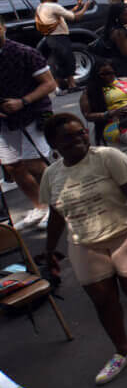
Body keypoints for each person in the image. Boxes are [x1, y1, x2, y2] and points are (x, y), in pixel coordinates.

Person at [39, 113, 127, 386]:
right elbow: (56, 216)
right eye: (68, 137)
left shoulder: (108, 157)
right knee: (103, 299)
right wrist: (48, 251)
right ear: (54, 144)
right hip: (84, 242)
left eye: (80, 132)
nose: (78, 139)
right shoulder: (52, 175)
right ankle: (123, 350)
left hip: (126, 233)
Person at [0, 18, 57, 230]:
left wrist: (22, 102)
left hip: (33, 114)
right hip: (5, 122)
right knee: (13, 166)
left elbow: (50, 83)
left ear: (3, 28)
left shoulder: (24, 53)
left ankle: (57, 208)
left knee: (34, 164)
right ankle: (40, 207)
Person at [34, 0, 91, 93]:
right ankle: (61, 87)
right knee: (67, 61)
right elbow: (75, 17)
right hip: (59, 37)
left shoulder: (41, 7)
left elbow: (64, 14)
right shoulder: (53, 7)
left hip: (51, 38)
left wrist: (76, 7)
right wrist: (85, 7)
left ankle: (69, 85)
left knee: (63, 61)